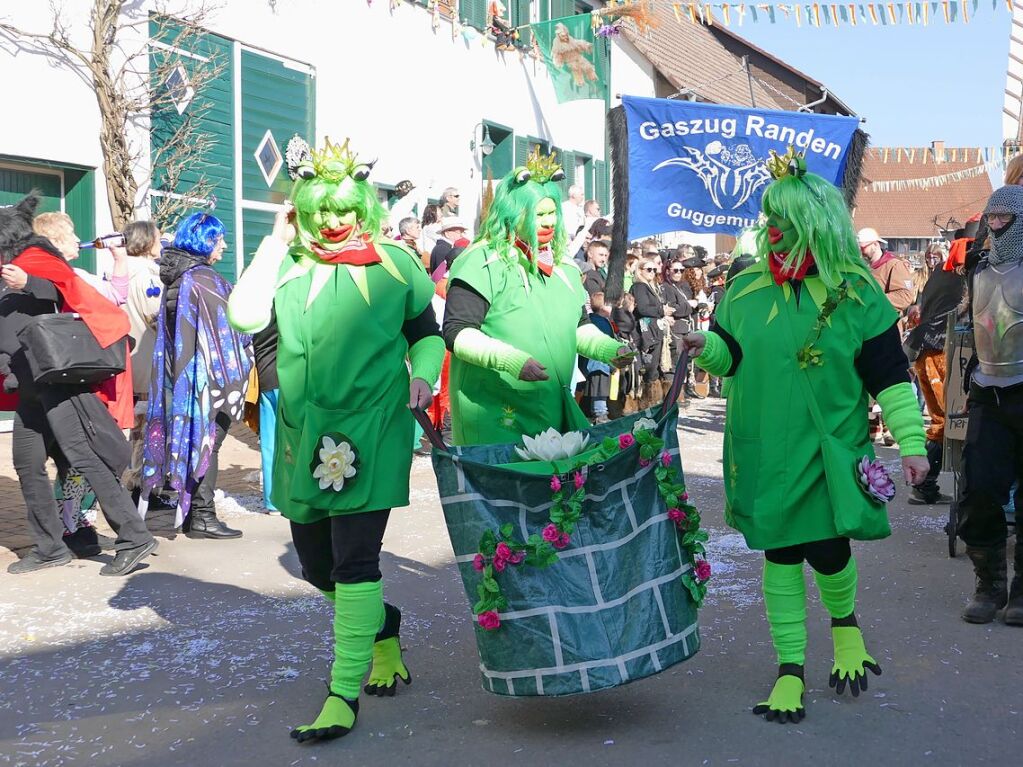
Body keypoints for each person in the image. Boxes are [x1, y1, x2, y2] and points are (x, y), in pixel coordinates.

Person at [682, 149, 928, 723]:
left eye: (784, 224)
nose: (772, 233)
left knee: (828, 547)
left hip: (830, 448)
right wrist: (704, 347)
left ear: (814, 226)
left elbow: (889, 375)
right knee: (781, 552)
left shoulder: (859, 292)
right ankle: (789, 667)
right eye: (769, 221)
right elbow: (731, 357)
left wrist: (912, 444)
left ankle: (846, 633)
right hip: (765, 448)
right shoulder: (742, 290)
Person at [228, 137, 445, 742]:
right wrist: (275, 239)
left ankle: (342, 694)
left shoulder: (396, 264)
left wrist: (424, 375)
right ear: (303, 206)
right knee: (315, 564)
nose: (332, 220)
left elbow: (426, 333)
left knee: (355, 561)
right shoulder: (288, 263)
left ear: (362, 207)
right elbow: (244, 316)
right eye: (319, 207)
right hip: (303, 436)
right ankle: (383, 628)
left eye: (343, 206)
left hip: (374, 428)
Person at [0, 195, 156, 575]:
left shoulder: (35, 261)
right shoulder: (9, 266)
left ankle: (133, 537)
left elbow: (72, 291)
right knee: (28, 462)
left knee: (83, 455)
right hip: (28, 385)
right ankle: (51, 546)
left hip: (55, 381)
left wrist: (30, 281)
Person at [443, 150, 628, 446]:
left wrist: (610, 350)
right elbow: (457, 332)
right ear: (513, 212)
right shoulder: (481, 261)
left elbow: (579, 327)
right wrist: (511, 360)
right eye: (538, 214)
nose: (548, 222)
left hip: (553, 408)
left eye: (552, 212)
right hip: (497, 413)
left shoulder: (563, 266)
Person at [140, 211, 253, 540]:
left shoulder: (177, 277)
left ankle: (191, 513)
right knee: (208, 444)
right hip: (207, 381)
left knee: (193, 443)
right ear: (205, 240)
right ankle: (203, 516)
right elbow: (235, 330)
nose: (225, 246)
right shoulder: (206, 280)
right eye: (219, 240)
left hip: (180, 377)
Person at [956, 185, 1023, 626]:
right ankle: (989, 584)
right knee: (978, 490)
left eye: (1005, 218)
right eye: (992, 217)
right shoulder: (977, 266)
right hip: (987, 388)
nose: (996, 224)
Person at [904, 241, 962, 506]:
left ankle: (926, 485)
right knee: (945, 421)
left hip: (929, 348)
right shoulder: (962, 272)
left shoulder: (942, 270)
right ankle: (925, 485)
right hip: (940, 351)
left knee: (944, 421)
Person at [118, 221, 167, 503]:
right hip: (145, 362)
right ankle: (140, 487)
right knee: (144, 427)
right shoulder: (148, 277)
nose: (160, 243)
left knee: (135, 426)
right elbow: (156, 318)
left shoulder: (119, 271)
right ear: (147, 242)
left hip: (126, 360)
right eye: (157, 238)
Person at [630, 256, 670, 409]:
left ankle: (651, 402)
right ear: (640, 271)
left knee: (653, 368)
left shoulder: (650, 286)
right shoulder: (639, 286)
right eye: (648, 269)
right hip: (645, 333)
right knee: (649, 369)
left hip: (653, 331)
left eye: (654, 269)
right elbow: (643, 308)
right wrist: (662, 311)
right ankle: (647, 403)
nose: (652, 272)